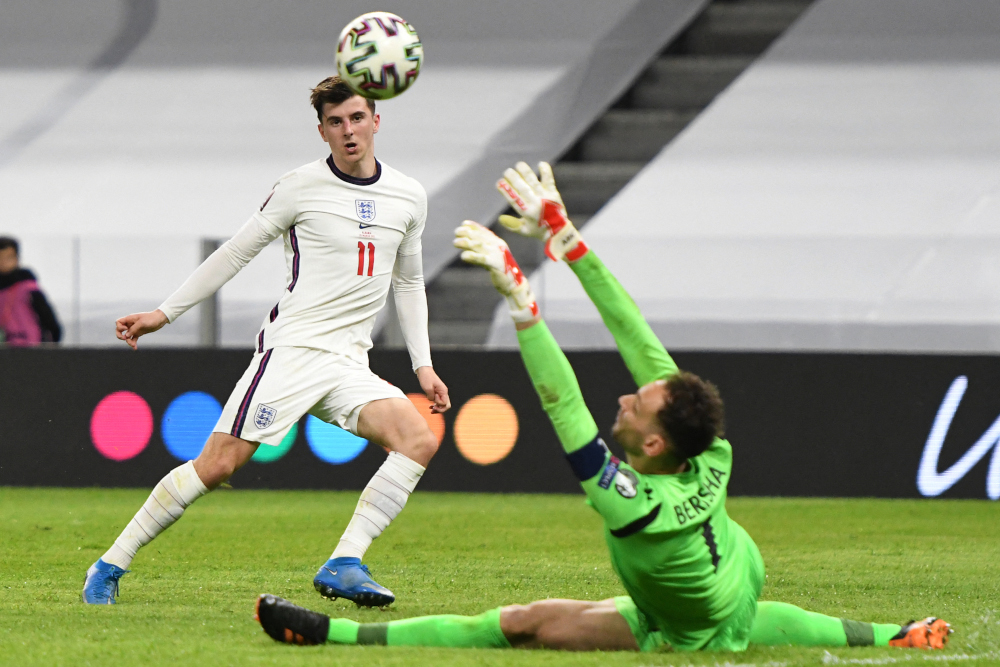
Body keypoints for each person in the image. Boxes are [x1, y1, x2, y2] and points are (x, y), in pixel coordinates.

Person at [251, 162, 951, 653]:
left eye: (637, 404)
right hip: (731, 586)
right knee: (763, 619)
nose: (627, 393)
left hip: (679, 627)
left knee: (517, 624)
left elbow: (564, 406)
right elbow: (633, 330)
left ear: (651, 447)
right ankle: (896, 633)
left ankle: (331, 633)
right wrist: (566, 238)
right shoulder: (707, 447)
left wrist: (524, 307)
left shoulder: (634, 505)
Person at [82, 76, 451, 607]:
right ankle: (110, 564)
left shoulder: (408, 195)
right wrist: (164, 313)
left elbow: (408, 282)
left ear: (376, 119)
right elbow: (235, 253)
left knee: (418, 440)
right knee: (217, 466)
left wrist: (423, 365)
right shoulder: (299, 186)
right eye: (335, 122)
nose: (348, 131)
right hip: (292, 352)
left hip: (349, 362)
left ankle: (345, 561)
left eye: (356, 118)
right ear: (321, 131)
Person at [0, 236, 62, 346]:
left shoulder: (28, 288)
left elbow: (48, 318)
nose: (3, 262)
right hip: (6, 347)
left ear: (17, 259)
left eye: (8, 258)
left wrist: (52, 343)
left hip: (32, 346)